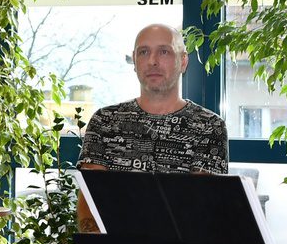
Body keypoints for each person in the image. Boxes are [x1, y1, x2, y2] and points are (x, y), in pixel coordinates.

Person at [76, 23, 228, 233]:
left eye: (164, 52)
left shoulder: (209, 126)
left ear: (183, 61)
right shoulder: (104, 121)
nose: (152, 61)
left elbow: (202, 210)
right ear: (134, 60)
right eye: (144, 52)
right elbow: (89, 201)